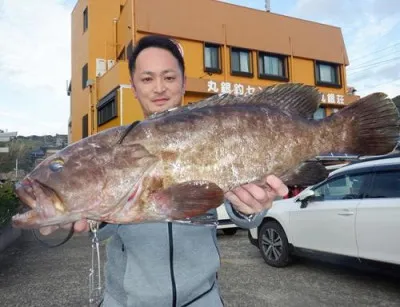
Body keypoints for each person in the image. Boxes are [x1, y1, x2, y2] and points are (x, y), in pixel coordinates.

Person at [43, 35, 288, 307]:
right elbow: (98, 229)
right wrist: (73, 211)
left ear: (183, 83)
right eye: (147, 79)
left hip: (202, 299)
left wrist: (250, 207)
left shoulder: (217, 134)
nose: (159, 88)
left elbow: (242, 216)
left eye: (169, 77)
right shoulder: (111, 148)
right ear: (134, 87)